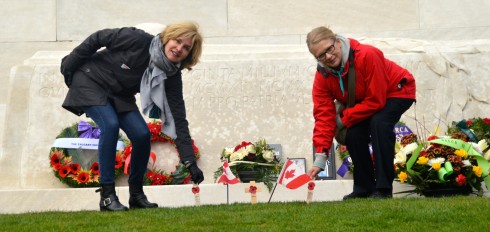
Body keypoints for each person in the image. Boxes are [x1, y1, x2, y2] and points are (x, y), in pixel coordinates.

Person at [60, 21, 205, 211]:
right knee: (110, 125)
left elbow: (178, 117)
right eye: (177, 41)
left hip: (119, 95)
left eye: (186, 48)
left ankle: (136, 195)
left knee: (142, 135)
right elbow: (99, 37)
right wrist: (70, 63)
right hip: (91, 80)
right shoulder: (138, 40)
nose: (179, 49)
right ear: (168, 37)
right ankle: (107, 196)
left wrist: (189, 161)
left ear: (189, 54)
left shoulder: (171, 74)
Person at [305, 26, 416, 200]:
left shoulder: (368, 55)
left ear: (338, 42)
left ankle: (383, 189)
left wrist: (344, 119)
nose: (327, 56)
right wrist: (320, 157)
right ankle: (363, 188)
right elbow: (323, 116)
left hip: (396, 91)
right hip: (367, 100)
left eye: (330, 49)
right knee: (354, 133)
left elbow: (376, 101)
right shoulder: (323, 76)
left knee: (379, 123)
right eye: (320, 55)